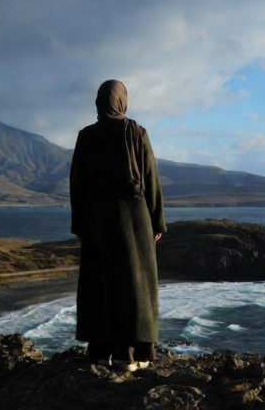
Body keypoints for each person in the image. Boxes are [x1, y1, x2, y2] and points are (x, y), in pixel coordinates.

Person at [70, 79, 166, 372]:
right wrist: (157, 221)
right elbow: (150, 179)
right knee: (135, 285)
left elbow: (77, 184)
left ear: (100, 102)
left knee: (99, 285)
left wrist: (80, 224)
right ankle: (133, 356)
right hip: (135, 223)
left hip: (97, 223)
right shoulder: (137, 132)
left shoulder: (86, 136)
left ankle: (100, 354)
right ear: (122, 101)